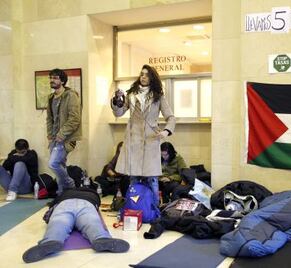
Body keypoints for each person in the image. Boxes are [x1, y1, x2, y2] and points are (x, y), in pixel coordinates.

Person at [111, 65, 176, 206]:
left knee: (152, 179)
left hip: (151, 140)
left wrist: (166, 131)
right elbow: (119, 113)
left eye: (146, 75)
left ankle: (153, 209)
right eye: (141, 74)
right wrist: (117, 100)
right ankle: (133, 208)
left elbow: (170, 117)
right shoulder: (131, 95)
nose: (143, 77)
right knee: (133, 178)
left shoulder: (158, 96)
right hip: (133, 139)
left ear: (152, 77)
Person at [22, 187, 130, 263]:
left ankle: (51, 240)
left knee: (59, 222)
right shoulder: (93, 193)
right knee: (91, 222)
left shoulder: (64, 193)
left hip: (65, 203)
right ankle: (101, 238)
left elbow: (51, 206)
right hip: (86, 203)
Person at [46, 68, 82, 195]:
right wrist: (50, 135)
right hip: (54, 139)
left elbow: (75, 118)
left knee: (53, 164)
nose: (52, 80)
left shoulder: (71, 96)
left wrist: (62, 134)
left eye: (55, 78)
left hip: (66, 138)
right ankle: (62, 194)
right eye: (51, 78)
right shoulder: (51, 98)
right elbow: (49, 118)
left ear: (62, 80)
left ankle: (69, 183)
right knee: (60, 165)